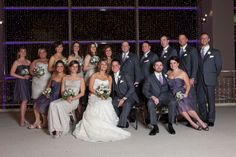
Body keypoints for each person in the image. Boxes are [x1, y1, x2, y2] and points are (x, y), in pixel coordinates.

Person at [73, 59, 130, 142]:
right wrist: (98, 94)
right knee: (99, 103)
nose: (104, 66)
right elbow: (90, 88)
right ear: (99, 65)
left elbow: (109, 90)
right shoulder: (94, 75)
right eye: (102, 64)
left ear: (107, 67)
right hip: (94, 95)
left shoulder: (109, 77)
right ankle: (96, 126)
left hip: (104, 96)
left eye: (105, 64)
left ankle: (107, 124)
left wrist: (105, 95)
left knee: (106, 102)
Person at [167, 56, 209, 131]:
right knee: (179, 104)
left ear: (178, 64)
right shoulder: (168, 73)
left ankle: (200, 122)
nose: (172, 65)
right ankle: (193, 123)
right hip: (172, 94)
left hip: (182, 93)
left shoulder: (183, 73)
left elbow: (188, 85)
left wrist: (186, 93)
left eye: (174, 63)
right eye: (171, 63)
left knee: (184, 105)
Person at [48, 60, 85, 138]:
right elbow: (62, 91)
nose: (74, 68)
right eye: (73, 66)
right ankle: (56, 129)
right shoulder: (65, 77)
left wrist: (73, 98)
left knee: (58, 106)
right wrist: (66, 97)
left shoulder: (80, 79)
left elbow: (82, 93)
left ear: (78, 68)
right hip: (65, 98)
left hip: (74, 100)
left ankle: (62, 128)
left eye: (76, 66)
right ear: (70, 67)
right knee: (52, 104)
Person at [143, 60, 177, 135]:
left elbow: (170, 89)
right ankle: (155, 126)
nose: (159, 67)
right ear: (154, 67)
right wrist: (152, 97)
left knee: (173, 102)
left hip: (165, 98)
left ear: (162, 66)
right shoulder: (149, 77)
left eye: (160, 65)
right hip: (154, 98)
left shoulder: (166, 75)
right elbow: (145, 90)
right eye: (157, 65)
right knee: (149, 103)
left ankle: (170, 124)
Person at [28, 60, 65, 129]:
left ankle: (45, 123)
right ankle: (37, 121)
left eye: (61, 66)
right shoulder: (54, 75)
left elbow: (64, 90)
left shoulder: (65, 76)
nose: (59, 68)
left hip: (58, 96)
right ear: (56, 67)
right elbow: (48, 86)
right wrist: (46, 93)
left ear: (63, 67)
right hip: (50, 93)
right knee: (36, 104)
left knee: (44, 105)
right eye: (58, 66)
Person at [197, 32, 222, 127]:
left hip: (210, 80)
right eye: (202, 38)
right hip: (200, 81)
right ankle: (203, 118)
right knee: (200, 100)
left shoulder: (216, 52)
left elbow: (219, 67)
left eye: (205, 38)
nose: (203, 40)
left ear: (209, 40)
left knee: (210, 100)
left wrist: (212, 76)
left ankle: (211, 119)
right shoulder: (198, 52)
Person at [111, 59, 139, 128]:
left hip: (130, 96)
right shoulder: (111, 76)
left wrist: (123, 99)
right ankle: (124, 121)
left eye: (116, 65)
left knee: (127, 103)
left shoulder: (125, 74)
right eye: (113, 65)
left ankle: (121, 124)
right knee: (111, 103)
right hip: (119, 96)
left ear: (119, 66)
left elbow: (132, 88)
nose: (114, 67)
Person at [10, 47, 31, 126]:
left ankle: (23, 118)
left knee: (26, 101)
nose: (23, 53)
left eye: (24, 51)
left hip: (28, 82)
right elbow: (11, 73)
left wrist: (29, 75)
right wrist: (23, 77)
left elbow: (31, 71)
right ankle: (22, 119)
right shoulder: (16, 62)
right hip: (21, 82)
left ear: (26, 53)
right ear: (19, 53)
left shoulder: (28, 62)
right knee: (24, 100)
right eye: (21, 51)